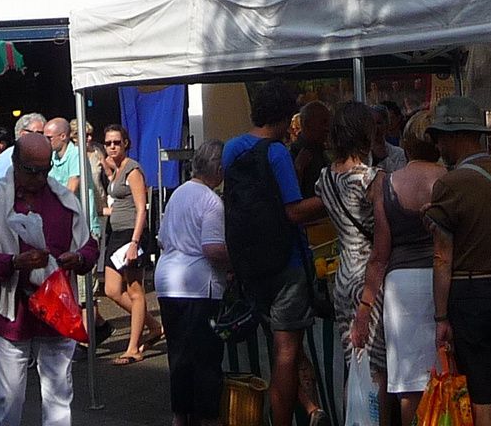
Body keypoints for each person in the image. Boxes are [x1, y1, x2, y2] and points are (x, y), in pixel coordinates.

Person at [422, 96, 491, 426]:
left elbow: (442, 257)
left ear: (456, 136)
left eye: (440, 136)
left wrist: (441, 316)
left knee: (482, 397)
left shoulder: (450, 184)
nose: (438, 144)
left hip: (472, 297)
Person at [0, 131, 98, 426]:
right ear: (15, 163)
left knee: (59, 396)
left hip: (56, 309)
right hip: (12, 312)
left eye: (46, 170)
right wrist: (14, 262)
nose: (40, 178)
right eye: (32, 170)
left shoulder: (64, 201)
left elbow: (89, 246)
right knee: (8, 399)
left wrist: (77, 258)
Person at [222, 79, 327, 426]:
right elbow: (293, 210)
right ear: (284, 116)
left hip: (250, 264)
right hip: (286, 264)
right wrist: (333, 198)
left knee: (274, 348)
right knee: (286, 353)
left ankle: (304, 412)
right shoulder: (278, 152)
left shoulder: (232, 149)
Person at [354, 110, 441, 425]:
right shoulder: (449, 180)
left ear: (406, 143)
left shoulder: (388, 183)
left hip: (400, 286)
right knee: (445, 375)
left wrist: (364, 310)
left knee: (407, 384)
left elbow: (379, 255)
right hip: (442, 280)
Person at [155, 140, 229, 426]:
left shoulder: (178, 195)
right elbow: (213, 249)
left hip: (168, 281)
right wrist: (235, 264)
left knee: (179, 357)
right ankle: (207, 418)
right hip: (198, 286)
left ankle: (180, 416)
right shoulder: (211, 201)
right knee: (206, 360)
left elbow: (162, 237)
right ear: (218, 169)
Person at [315, 103, 384, 400]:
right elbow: (383, 233)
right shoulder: (371, 179)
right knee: (376, 369)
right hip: (369, 278)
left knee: (353, 365)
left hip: (342, 277)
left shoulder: (325, 178)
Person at [94, 122, 161, 364]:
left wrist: (135, 241)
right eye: (108, 143)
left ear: (125, 143)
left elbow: (142, 208)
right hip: (116, 234)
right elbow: (114, 191)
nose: (112, 146)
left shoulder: (133, 170)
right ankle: (153, 326)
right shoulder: (117, 169)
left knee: (135, 290)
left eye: (116, 142)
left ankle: (133, 348)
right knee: (112, 289)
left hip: (131, 235)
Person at [0, 113, 47, 190]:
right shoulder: (7, 158)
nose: (44, 137)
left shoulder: (44, 155)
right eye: (40, 133)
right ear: (23, 134)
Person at [289, 101, 331, 198]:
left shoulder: (322, 151)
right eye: (323, 122)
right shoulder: (295, 154)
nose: (327, 128)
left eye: (328, 122)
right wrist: (298, 169)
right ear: (307, 124)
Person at [44, 118, 84, 197]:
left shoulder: (76, 154)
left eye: (49, 138)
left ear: (63, 136)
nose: (46, 141)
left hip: (78, 208)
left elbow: (71, 189)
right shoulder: (52, 156)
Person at [369, 106, 407, 173]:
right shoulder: (360, 154)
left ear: (387, 125)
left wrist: (384, 159)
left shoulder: (399, 154)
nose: (375, 128)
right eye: (371, 123)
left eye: (379, 123)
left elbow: (400, 178)